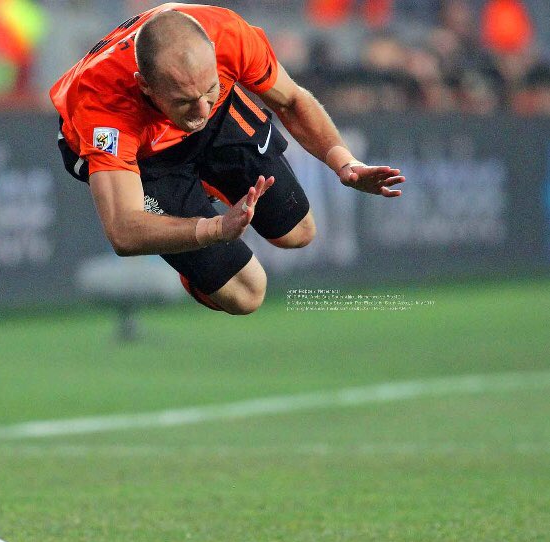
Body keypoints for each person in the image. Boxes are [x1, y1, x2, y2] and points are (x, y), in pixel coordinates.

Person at [50, 3, 405, 314]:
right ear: (145, 85)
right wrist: (213, 229)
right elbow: (124, 230)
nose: (200, 110)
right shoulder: (102, 106)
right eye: (185, 100)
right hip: (146, 159)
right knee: (247, 294)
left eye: (210, 88)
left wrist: (345, 162)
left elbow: (292, 100)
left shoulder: (230, 35)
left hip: (222, 121)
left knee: (299, 232)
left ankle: (206, 178)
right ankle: (195, 212)